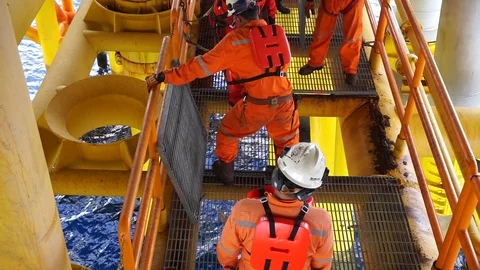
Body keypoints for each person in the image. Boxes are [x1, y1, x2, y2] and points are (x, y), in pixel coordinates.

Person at [145, 0, 299, 186]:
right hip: (286, 103)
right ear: (258, 10)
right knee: (287, 145)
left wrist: (165, 76)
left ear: (238, 17)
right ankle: (290, 186)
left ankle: (226, 172)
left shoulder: (235, 41)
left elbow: (199, 67)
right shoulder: (277, 32)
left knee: (227, 132)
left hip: (258, 106)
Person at [217, 142, 333, 269]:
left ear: (277, 173)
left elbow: (226, 253)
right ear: (309, 191)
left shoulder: (244, 210)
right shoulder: (322, 221)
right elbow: (322, 265)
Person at [298, 0, 364, 85]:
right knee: (321, 33)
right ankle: (316, 62)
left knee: (352, 38)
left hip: (353, 3)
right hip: (330, 3)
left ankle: (351, 69)